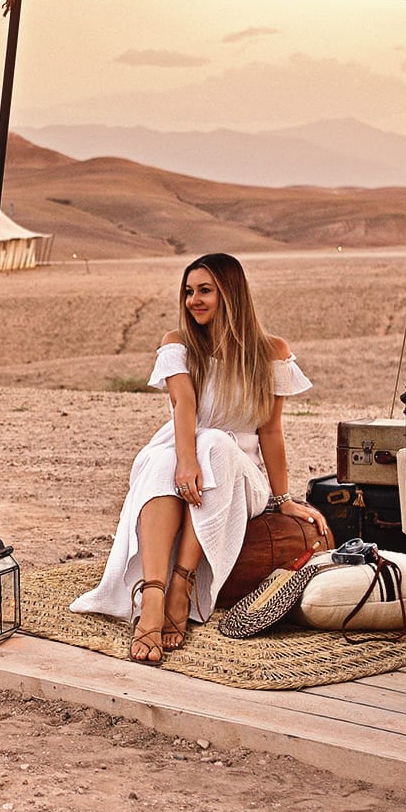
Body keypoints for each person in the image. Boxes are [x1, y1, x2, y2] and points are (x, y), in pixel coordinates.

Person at [70, 253, 328, 665]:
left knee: (217, 447)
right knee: (159, 461)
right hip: (181, 449)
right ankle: (154, 596)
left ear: (231, 294)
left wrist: (285, 500)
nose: (194, 300)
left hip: (241, 471)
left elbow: (271, 431)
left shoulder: (271, 352)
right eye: (188, 291)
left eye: (205, 290)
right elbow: (183, 404)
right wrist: (185, 461)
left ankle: (182, 582)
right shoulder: (179, 344)